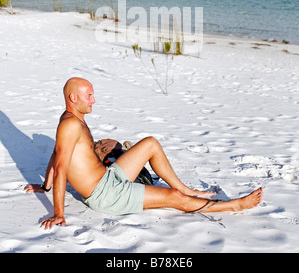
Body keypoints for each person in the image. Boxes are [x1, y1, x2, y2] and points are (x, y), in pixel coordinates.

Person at [25, 77, 263, 230]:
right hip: (106, 195)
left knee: (150, 143)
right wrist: (58, 213)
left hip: (109, 178)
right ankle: (236, 205)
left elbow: (56, 155)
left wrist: (45, 186)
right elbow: (62, 165)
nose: (94, 100)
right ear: (73, 98)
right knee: (173, 198)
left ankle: (187, 189)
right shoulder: (70, 125)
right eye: (89, 96)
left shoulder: (72, 119)